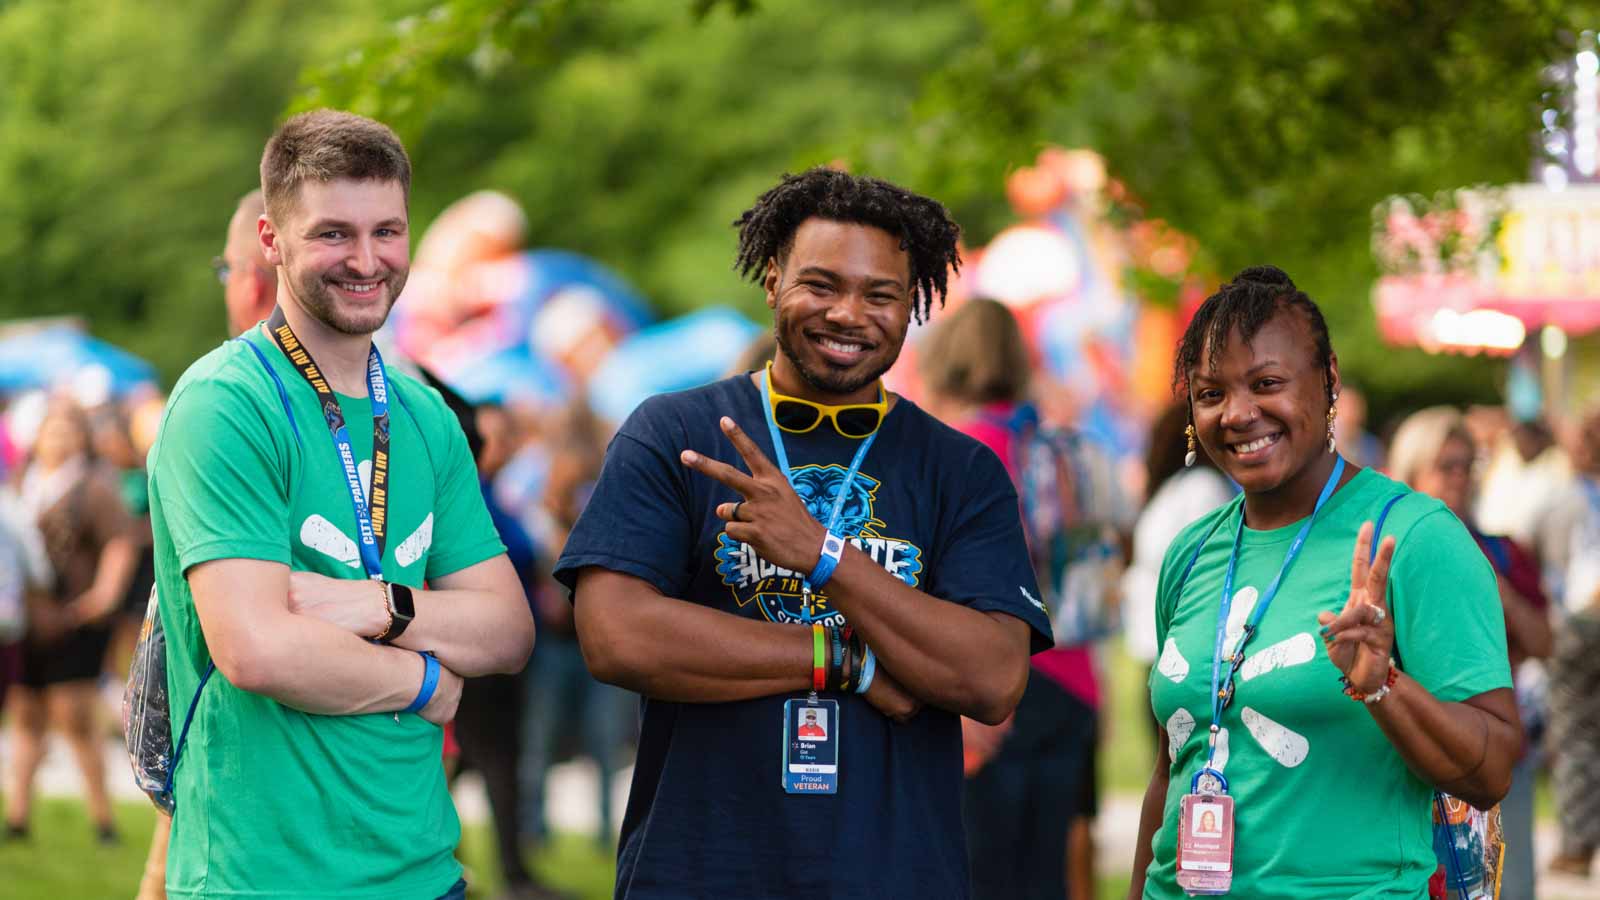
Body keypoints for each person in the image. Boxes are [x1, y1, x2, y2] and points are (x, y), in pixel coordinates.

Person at [556, 167, 1052, 899]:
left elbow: (992, 677)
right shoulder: (678, 432)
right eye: (821, 285)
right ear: (772, 279)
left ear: (913, 304)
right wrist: (842, 661)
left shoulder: (961, 470)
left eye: (880, 294)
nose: (849, 314)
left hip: (892, 875)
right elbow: (615, 634)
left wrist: (822, 555)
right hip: (696, 873)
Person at [147, 109, 534, 899]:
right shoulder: (226, 404)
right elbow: (255, 649)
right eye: (332, 234)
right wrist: (428, 683)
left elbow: (508, 629)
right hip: (260, 879)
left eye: (386, 231)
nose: (366, 261)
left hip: (424, 873)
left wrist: (376, 605)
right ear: (270, 240)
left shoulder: (425, 417)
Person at [1127, 266, 1518, 898]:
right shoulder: (1191, 551)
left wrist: (1384, 686)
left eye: (1267, 384)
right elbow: (1176, 766)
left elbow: (1493, 767)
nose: (1239, 414)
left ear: (1329, 379)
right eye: (1210, 393)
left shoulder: (1414, 538)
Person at [918, 297, 1111, 900]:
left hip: (994, 683)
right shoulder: (1066, 447)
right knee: (1047, 874)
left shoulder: (957, 450)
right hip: (1076, 677)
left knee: (981, 873)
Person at [134, 186, 286, 900]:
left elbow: (234, 645)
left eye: (227, 272)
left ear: (251, 278)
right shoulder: (407, 396)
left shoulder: (217, 400)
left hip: (238, 782)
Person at [1387, 405, 1552, 899]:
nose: (1459, 477)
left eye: (1467, 465)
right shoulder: (1381, 557)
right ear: (1412, 471)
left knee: (1509, 887)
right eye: (1445, 465)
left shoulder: (1503, 551)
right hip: (1411, 755)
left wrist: (1493, 586)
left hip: (1496, 751)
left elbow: (1546, 642)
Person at [4, 397, 142, 844]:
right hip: (29, 620)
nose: (58, 439)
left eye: (68, 430)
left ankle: (103, 821)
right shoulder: (23, 484)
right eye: (51, 430)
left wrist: (104, 595)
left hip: (76, 616)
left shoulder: (94, 486)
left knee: (75, 716)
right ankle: (19, 818)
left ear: (82, 438)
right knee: (25, 714)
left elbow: (121, 542)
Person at [1122, 402, 1234, 682]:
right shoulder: (1175, 488)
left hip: (1180, 649)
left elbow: (1200, 566)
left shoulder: (1202, 488)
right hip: (1154, 641)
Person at [1547, 404, 1600, 878]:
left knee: (1576, 732)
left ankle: (1578, 842)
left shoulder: (1570, 498)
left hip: (1581, 624)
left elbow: (1553, 560)